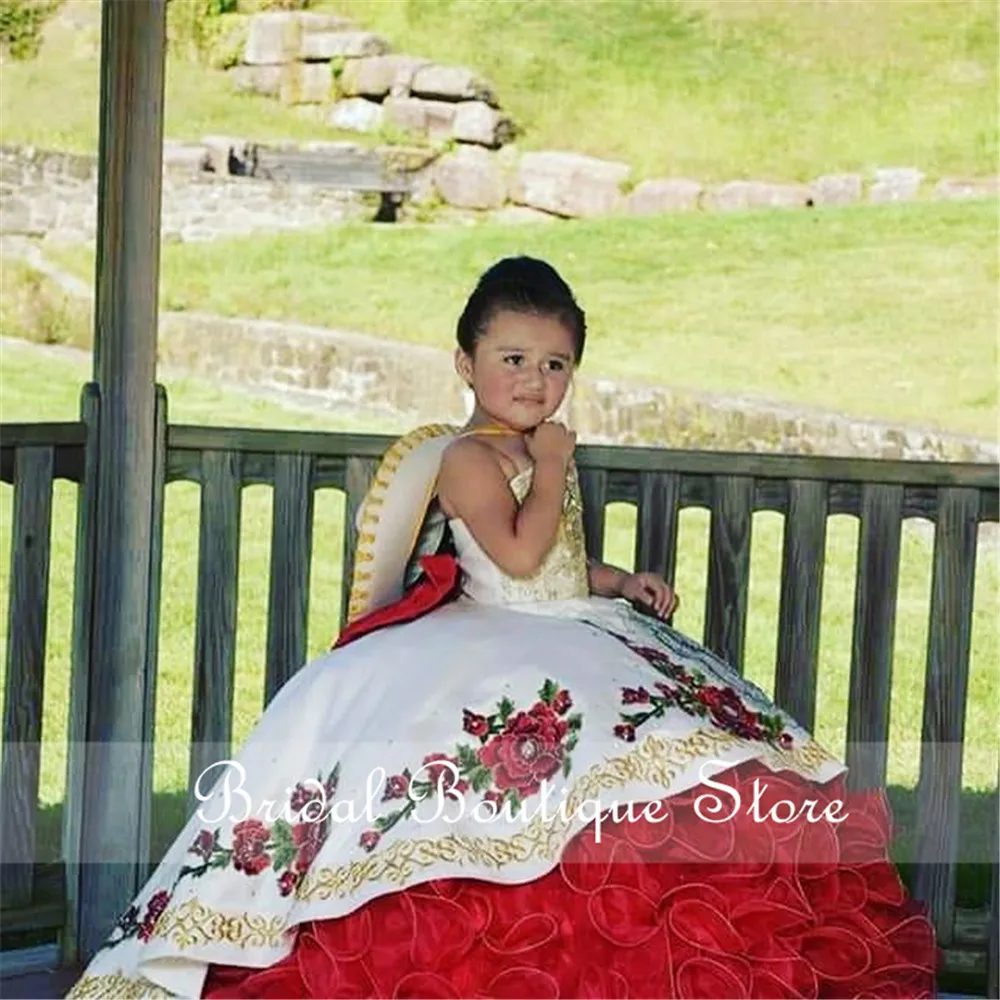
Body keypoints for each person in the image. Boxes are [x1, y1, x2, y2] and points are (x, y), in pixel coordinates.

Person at [67, 257, 936, 999]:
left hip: (577, 621)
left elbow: (559, 564)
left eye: (556, 365)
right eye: (514, 358)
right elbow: (515, 559)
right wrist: (555, 463)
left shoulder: (534, 449)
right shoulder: (469, 457)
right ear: (466, 360)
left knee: (679, 766)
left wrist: (622, 581)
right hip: (501, 629)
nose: (535, 381)